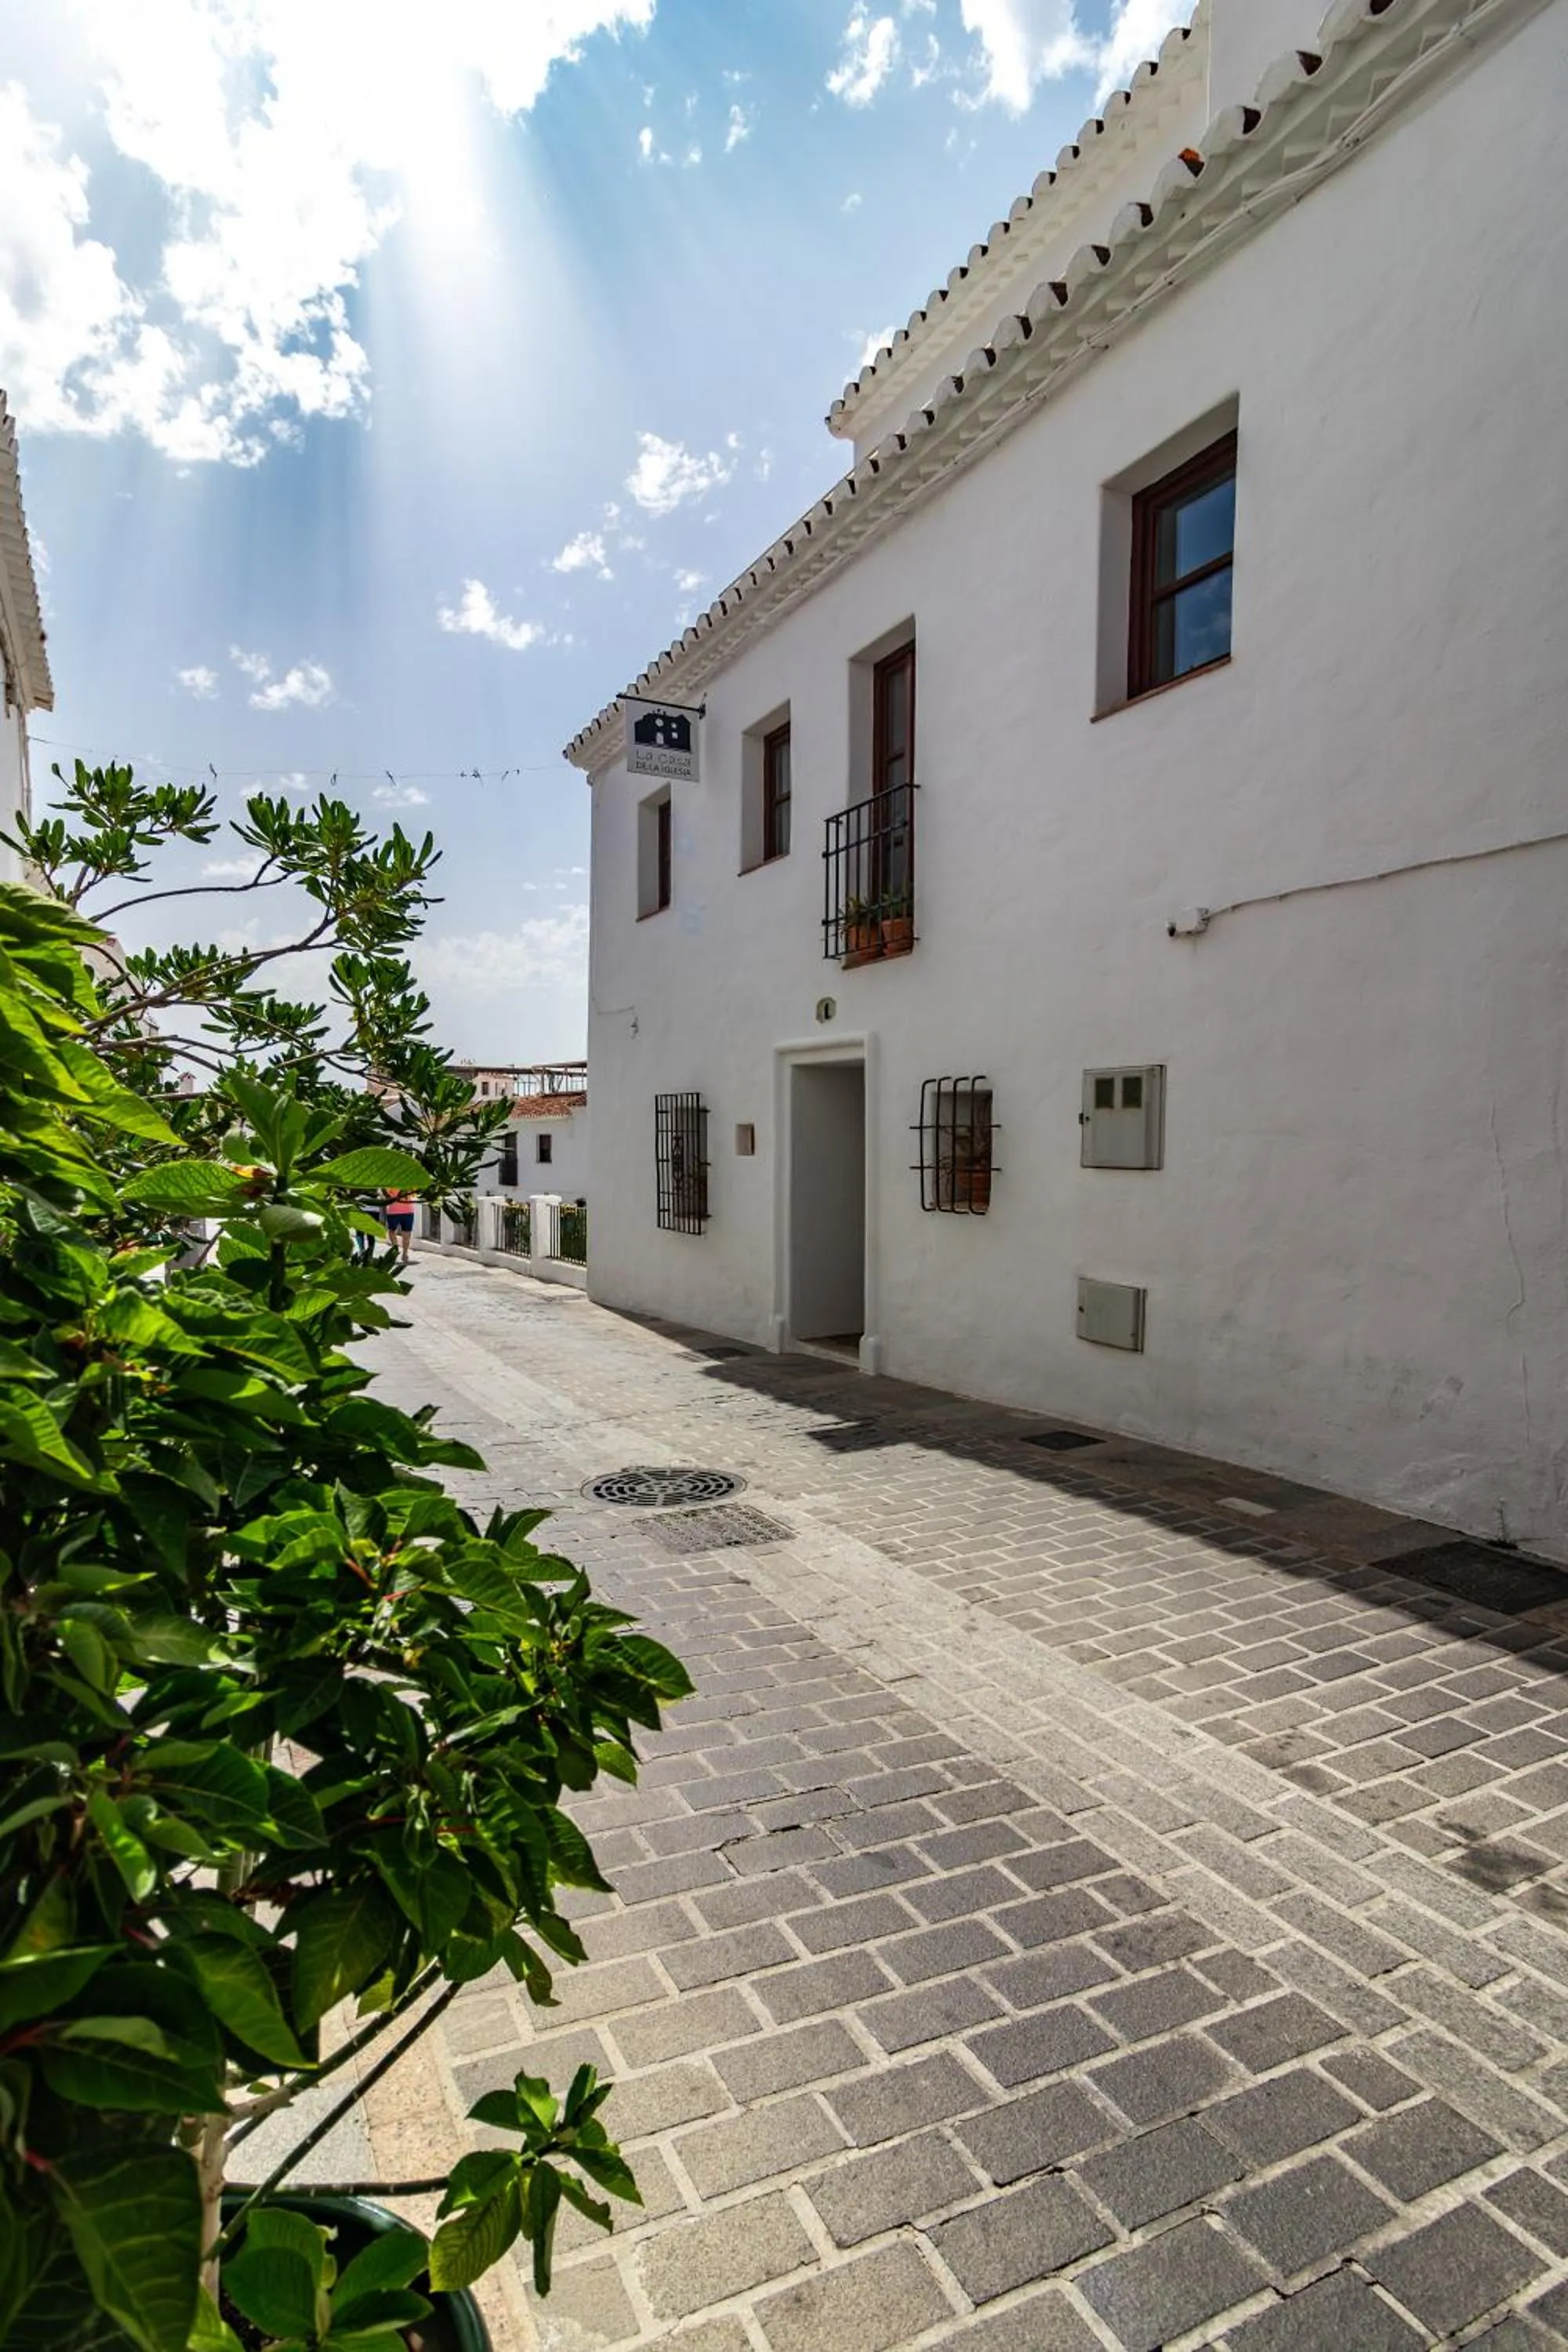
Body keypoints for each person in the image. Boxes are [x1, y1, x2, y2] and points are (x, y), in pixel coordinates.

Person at [383, 1187, 416, 1266]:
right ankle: (395, 1247)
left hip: (408, 1211)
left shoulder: (410, 1183)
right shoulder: (391, 1182)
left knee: (407, 1234)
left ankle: (405, 1254)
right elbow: (385, 1194)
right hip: (394, 1211)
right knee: (392, 1231)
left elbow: (414, 1194)